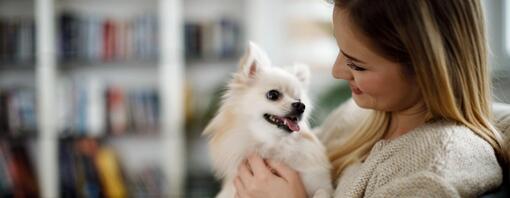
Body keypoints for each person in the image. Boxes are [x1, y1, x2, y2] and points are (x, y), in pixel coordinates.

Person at [232, 0, 508, 197]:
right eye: (340, 51)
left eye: (357, 64)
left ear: (427, 69)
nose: (337, 71)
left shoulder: (435, 170)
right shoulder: (351, 118)